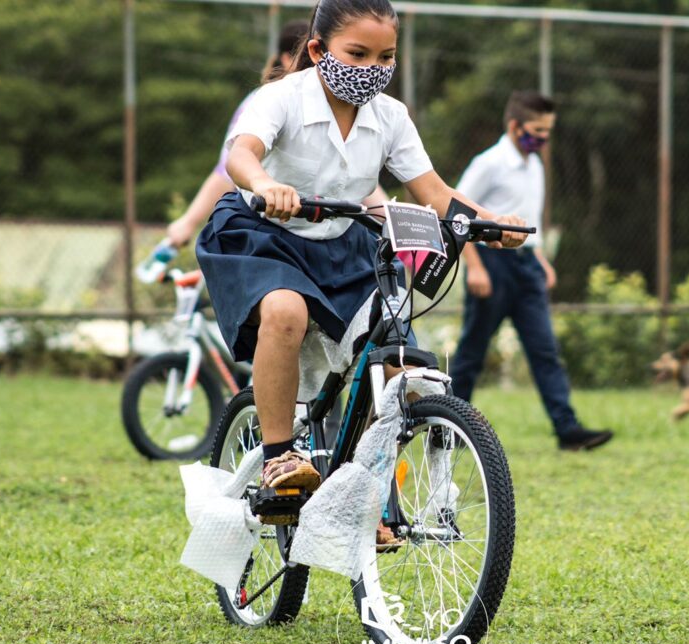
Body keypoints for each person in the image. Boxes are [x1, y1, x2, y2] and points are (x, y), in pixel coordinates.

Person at [196, 0, 527, 499]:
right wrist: (266, 183)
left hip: (342, 241)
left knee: (399, 361)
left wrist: (490, 221)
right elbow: (241, 153)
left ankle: (362, 493)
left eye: (385, 56)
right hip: (265, 235)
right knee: (285, 313)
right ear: (317, 49)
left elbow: (435, 194)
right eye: (357, 54)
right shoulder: (283, 98)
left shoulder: (391, 117)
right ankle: (278, 459)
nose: (372, 69)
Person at [449, 91, 614, 452]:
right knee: (472, 352)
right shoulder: (489, 163)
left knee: (545, 351)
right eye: (538, 131)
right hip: (491, 264)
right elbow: (457, 212)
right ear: (515, 125)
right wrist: (473, 267)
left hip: (526, 268)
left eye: (548, 131)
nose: (543, 138)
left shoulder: (534, 165)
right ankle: (449, 429)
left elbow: (530, 221)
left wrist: (539, 260)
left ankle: (568, 430)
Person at [164, 20, 310, 248]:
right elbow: (228, 168)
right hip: (267, 234)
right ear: (286, 59)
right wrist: (188, 222)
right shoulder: (262, 103)